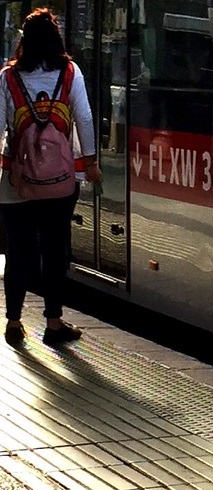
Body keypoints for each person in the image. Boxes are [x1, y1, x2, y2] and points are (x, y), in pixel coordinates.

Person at [0, 8, 101, 346]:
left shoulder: (8, 77)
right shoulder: (70, 73)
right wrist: (90, 163)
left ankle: (13, 322)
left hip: (17, 181)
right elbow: (84, 118)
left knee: (18, 251)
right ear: (57, 38)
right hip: (60, 180)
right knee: (55, 251)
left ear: (23, 42)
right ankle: (54, 324)